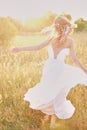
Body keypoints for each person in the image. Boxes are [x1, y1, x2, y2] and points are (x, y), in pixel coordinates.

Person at [12, 16, 87, 128]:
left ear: (56, 27)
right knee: (55, 93)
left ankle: (51, 117)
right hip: (58, 70)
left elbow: (37, 47)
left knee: (50, 92)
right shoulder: (68, 41)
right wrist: (84, 70)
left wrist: (19, 48)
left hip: (50, 69)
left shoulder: (52, 38)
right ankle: (50, 115)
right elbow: (74, 59)